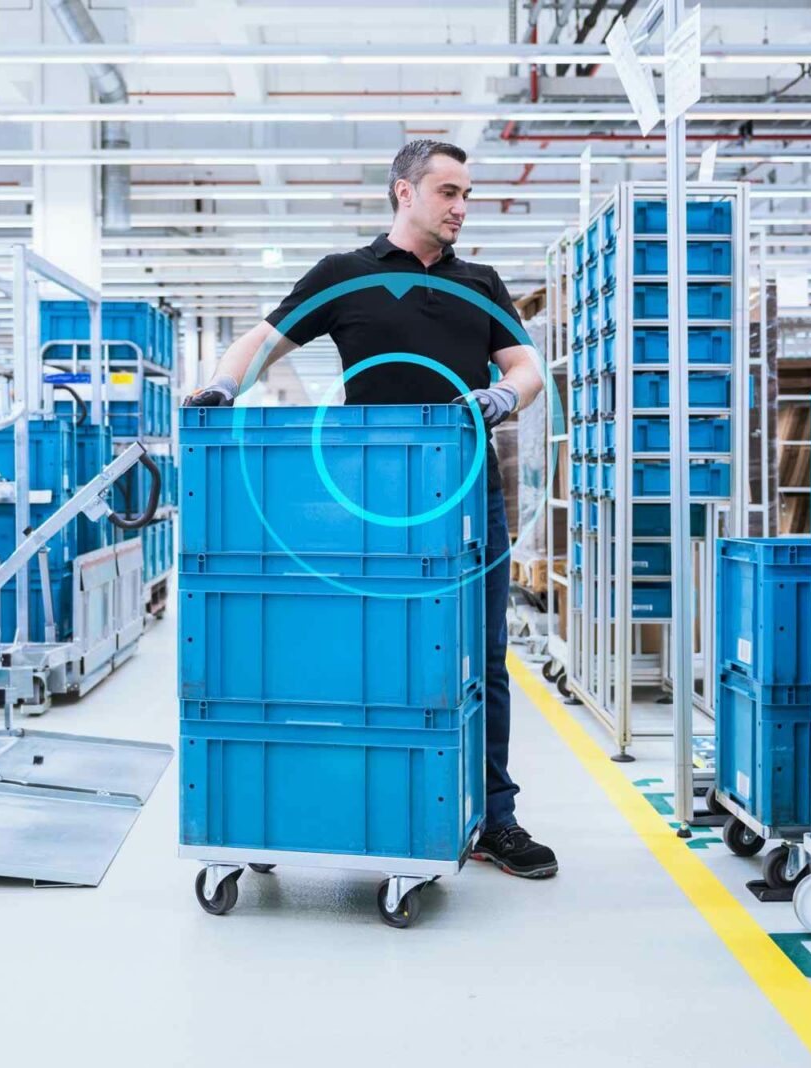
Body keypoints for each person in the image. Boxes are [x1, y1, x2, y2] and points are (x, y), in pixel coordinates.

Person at [184, 139, 556, 879]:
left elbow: (525, 365)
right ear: (403, 193)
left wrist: (502, 395)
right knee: (358, 652)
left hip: (464, 494)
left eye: (466, 195)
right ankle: (312, 800)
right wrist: (225, 388)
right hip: (368, 499)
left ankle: (492, 817)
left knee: (480, 656)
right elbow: (264, 341)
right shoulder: (344, 276)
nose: (460, 207)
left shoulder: (480, 281)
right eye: (447, 192)